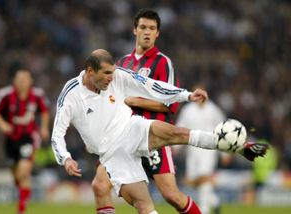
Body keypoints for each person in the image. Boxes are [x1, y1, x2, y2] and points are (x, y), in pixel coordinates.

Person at [51, 49, 267, 214]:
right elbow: (57, 133)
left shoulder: (119, 76)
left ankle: (234, 145)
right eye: (106, 74)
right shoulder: (71, 94)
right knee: (144, 206)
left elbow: (151, 86)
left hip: (131, 127)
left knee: (176, 133)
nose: (111, 78)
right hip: (112, 153)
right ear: (90, 72)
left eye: (112, 73)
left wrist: (186, 95)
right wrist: (66, 158)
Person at [91, 8, 197, 214]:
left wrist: (132, 101)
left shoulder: (162, 62)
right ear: (134, 30)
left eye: (152, 28)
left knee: (171, 195)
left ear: (157, 33)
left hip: (153, 135)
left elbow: (170, 105)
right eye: (143, 27)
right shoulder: (122, 64)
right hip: (124, 136)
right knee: (100, 185)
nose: (147, 32)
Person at [0, 69, 50, 214]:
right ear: (14, 81)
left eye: (25, 79)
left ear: (31, 81)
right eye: (19, 79)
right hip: (11, 139)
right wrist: (3, 125)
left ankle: (21, 209)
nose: (22, 81)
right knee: (15, 173)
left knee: (23, 171)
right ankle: (22, 193)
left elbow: (45, 110)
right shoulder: (5, 95)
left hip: (29, 137)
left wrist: (44, 128)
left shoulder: (37, 95)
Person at [176, 98, 226, 214]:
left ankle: (204, 210)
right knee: (192, 180)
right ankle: (214, 201)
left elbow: (223, 130)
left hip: (209, 150)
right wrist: (175, 147)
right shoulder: (188, 110)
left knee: (204, 176)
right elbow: (180, 127)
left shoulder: (213, 109)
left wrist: (224, 153)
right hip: (192, 150)